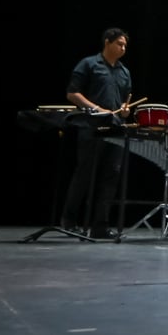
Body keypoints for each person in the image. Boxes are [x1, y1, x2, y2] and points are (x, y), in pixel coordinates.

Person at [59, 28, 132, 238]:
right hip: (91, 127)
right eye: (119, 43)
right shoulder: (89, 64)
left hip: (115, 128)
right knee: (84, 174)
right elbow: (72, 93)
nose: (123, 48)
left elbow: (125, 103)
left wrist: (125, 111)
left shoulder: (124, 72)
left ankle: (100, 225)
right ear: (107, 42)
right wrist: (97, 109)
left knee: (111, 177)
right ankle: (69, 219)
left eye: (125, 45)